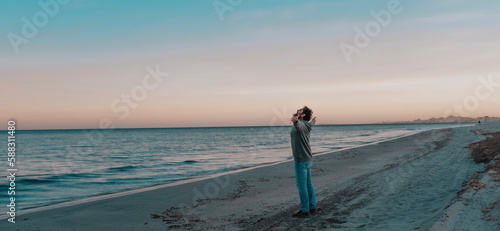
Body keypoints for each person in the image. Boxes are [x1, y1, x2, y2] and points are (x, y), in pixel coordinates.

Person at [290, 106, 321, 218]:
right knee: (308, 184)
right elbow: (310, 123)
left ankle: (305, 210)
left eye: (300, 111)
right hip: (308, 159)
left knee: (302, 186)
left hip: (301, 160)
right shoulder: (308, 124)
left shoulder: (301, 125)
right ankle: (312, 207)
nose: (298, 110)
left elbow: (298, 126)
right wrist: (313, 121)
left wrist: (295, 121)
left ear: (302, 115)